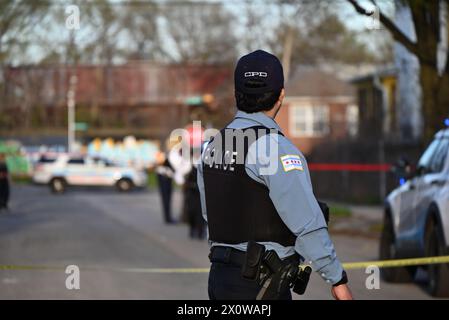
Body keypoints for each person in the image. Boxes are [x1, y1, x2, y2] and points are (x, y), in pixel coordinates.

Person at [197, 50, 353, 300]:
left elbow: (211, 215)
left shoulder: (213, 146)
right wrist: (337, 279)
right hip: (260, 285)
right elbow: (307, 224)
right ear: (281, 94)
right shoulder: (274, 149)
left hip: (220, 279)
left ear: (237, 94)